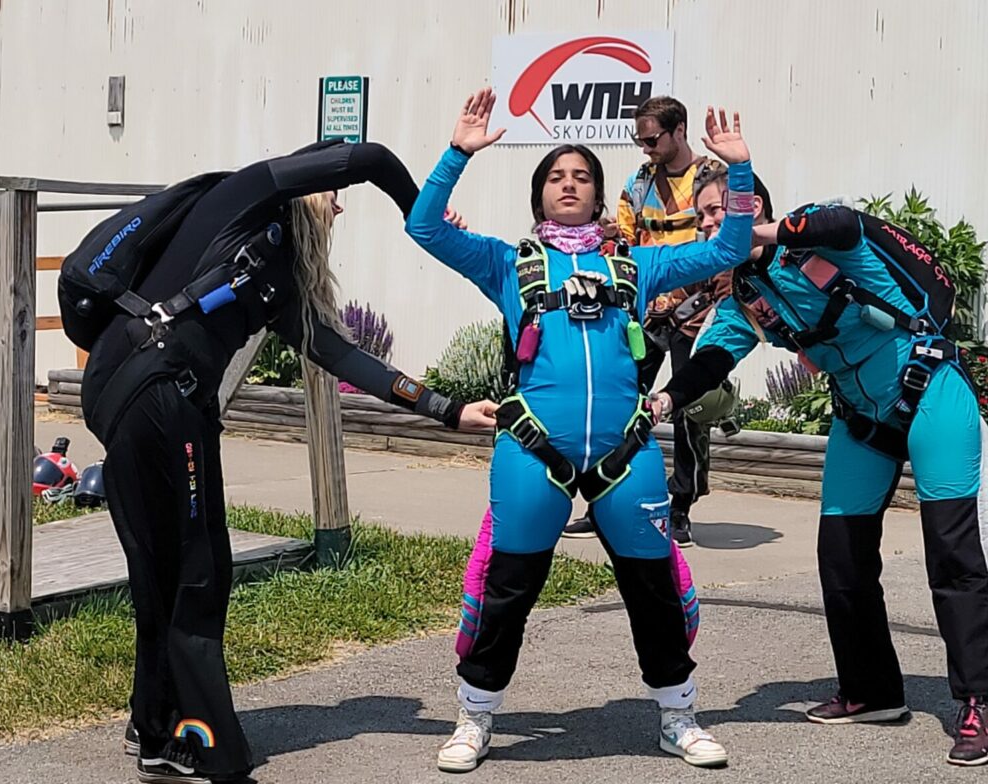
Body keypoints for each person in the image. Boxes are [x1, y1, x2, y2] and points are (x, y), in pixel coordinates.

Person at [78, 140, 498, 783]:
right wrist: (427, 213)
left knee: (161, 569)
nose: (340, 205)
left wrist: (445, 408)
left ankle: (153, 720)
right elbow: (372, 159)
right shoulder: (248, 194)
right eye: (332, 193)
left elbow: (345, 357)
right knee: (198, 571)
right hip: (158, 393)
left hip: (131, 392)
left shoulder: (276, 282)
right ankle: (196, 741)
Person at [406, 87, 758, 772]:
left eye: (583, 178)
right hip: (532, 450)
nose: (570, 186)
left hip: (626, 457)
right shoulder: (507, 263)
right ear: (540, 198)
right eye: (557, 179)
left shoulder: (639, 263)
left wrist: (737, 171)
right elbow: (424, 228)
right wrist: (457, 153)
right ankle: (475, 717)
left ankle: (677, 715)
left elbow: (733, 244)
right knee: (508, 589)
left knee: (652, 591)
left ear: (599, 197)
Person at [655, 164, 988, 767]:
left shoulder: (816, 239)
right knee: (841, 558)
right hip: (863, 421)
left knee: (953, 555)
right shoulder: (744, 300)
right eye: (702, 216)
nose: (708, 223)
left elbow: (846, 221)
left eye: (717, 210)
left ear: (751, 209)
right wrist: (667, 399)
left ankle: (977, 701)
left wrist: (762, 230)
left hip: (932, 392)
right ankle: (872, 691)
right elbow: (709, 365)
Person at [564, 96, 728, 544]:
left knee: (688, 412)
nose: (645, 147)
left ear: (679, 131)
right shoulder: (640, 181)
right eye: (640, 139)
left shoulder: (712, 178)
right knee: (619, 402)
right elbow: (623, 239)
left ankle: (680, 507)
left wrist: (706, 302)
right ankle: (603, 502)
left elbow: (724, 241)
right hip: (646, 315)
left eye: (652, 138)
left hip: (697, 312)